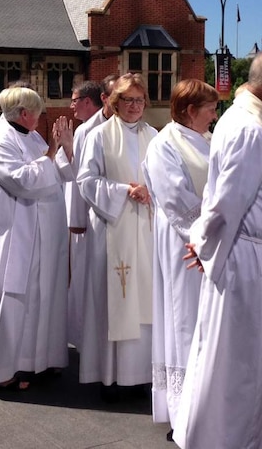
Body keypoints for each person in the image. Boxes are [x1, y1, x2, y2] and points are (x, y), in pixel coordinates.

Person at [173, 50, 262, 449]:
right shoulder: (248, 128)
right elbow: (224, 201)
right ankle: (222, 439)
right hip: (250, 264)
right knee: (240, 363)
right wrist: (205, 247)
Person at [0, 86, 73, 390]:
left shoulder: (32, 137)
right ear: (25, 114)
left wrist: (66, 148)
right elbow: (25, 181)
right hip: (12, 236)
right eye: (39, 112)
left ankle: (36, 361)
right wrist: (54, 152)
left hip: (39, 237)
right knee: (10, 300)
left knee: (40, 299)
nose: (41, 118)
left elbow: (60, 172)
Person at [143, 79, 217, 436]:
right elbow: (175, 199)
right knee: (184, 319)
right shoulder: (164, 145)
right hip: (183, 245)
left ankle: (208, 402)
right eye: (210, 109)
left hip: (208, 245)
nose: (214, 115)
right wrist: (205, 238)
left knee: (207, 321)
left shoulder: (205, 140)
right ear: (190, 111)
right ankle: (183, 411)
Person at [76, 73, 157, 396]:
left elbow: (167, 179)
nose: (135, 106)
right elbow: (86, 181)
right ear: (114, 102)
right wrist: (125, 191)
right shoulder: (99, 136)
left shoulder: (155, 135)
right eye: (128, 100)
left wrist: (151, 192)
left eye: (139, 100)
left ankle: (143, 375)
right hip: (113, 226)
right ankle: (112, 377)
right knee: (115, 299)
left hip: (146, 229)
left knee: (145, 300)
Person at [63, 79, 105, 349]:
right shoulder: (85, 130)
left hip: (95, 216)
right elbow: (78, 177)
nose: (71, 105)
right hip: (88, 216)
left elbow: (79, 178)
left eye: (74, 100)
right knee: (83, 278)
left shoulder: (89, 131)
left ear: (88, 101)